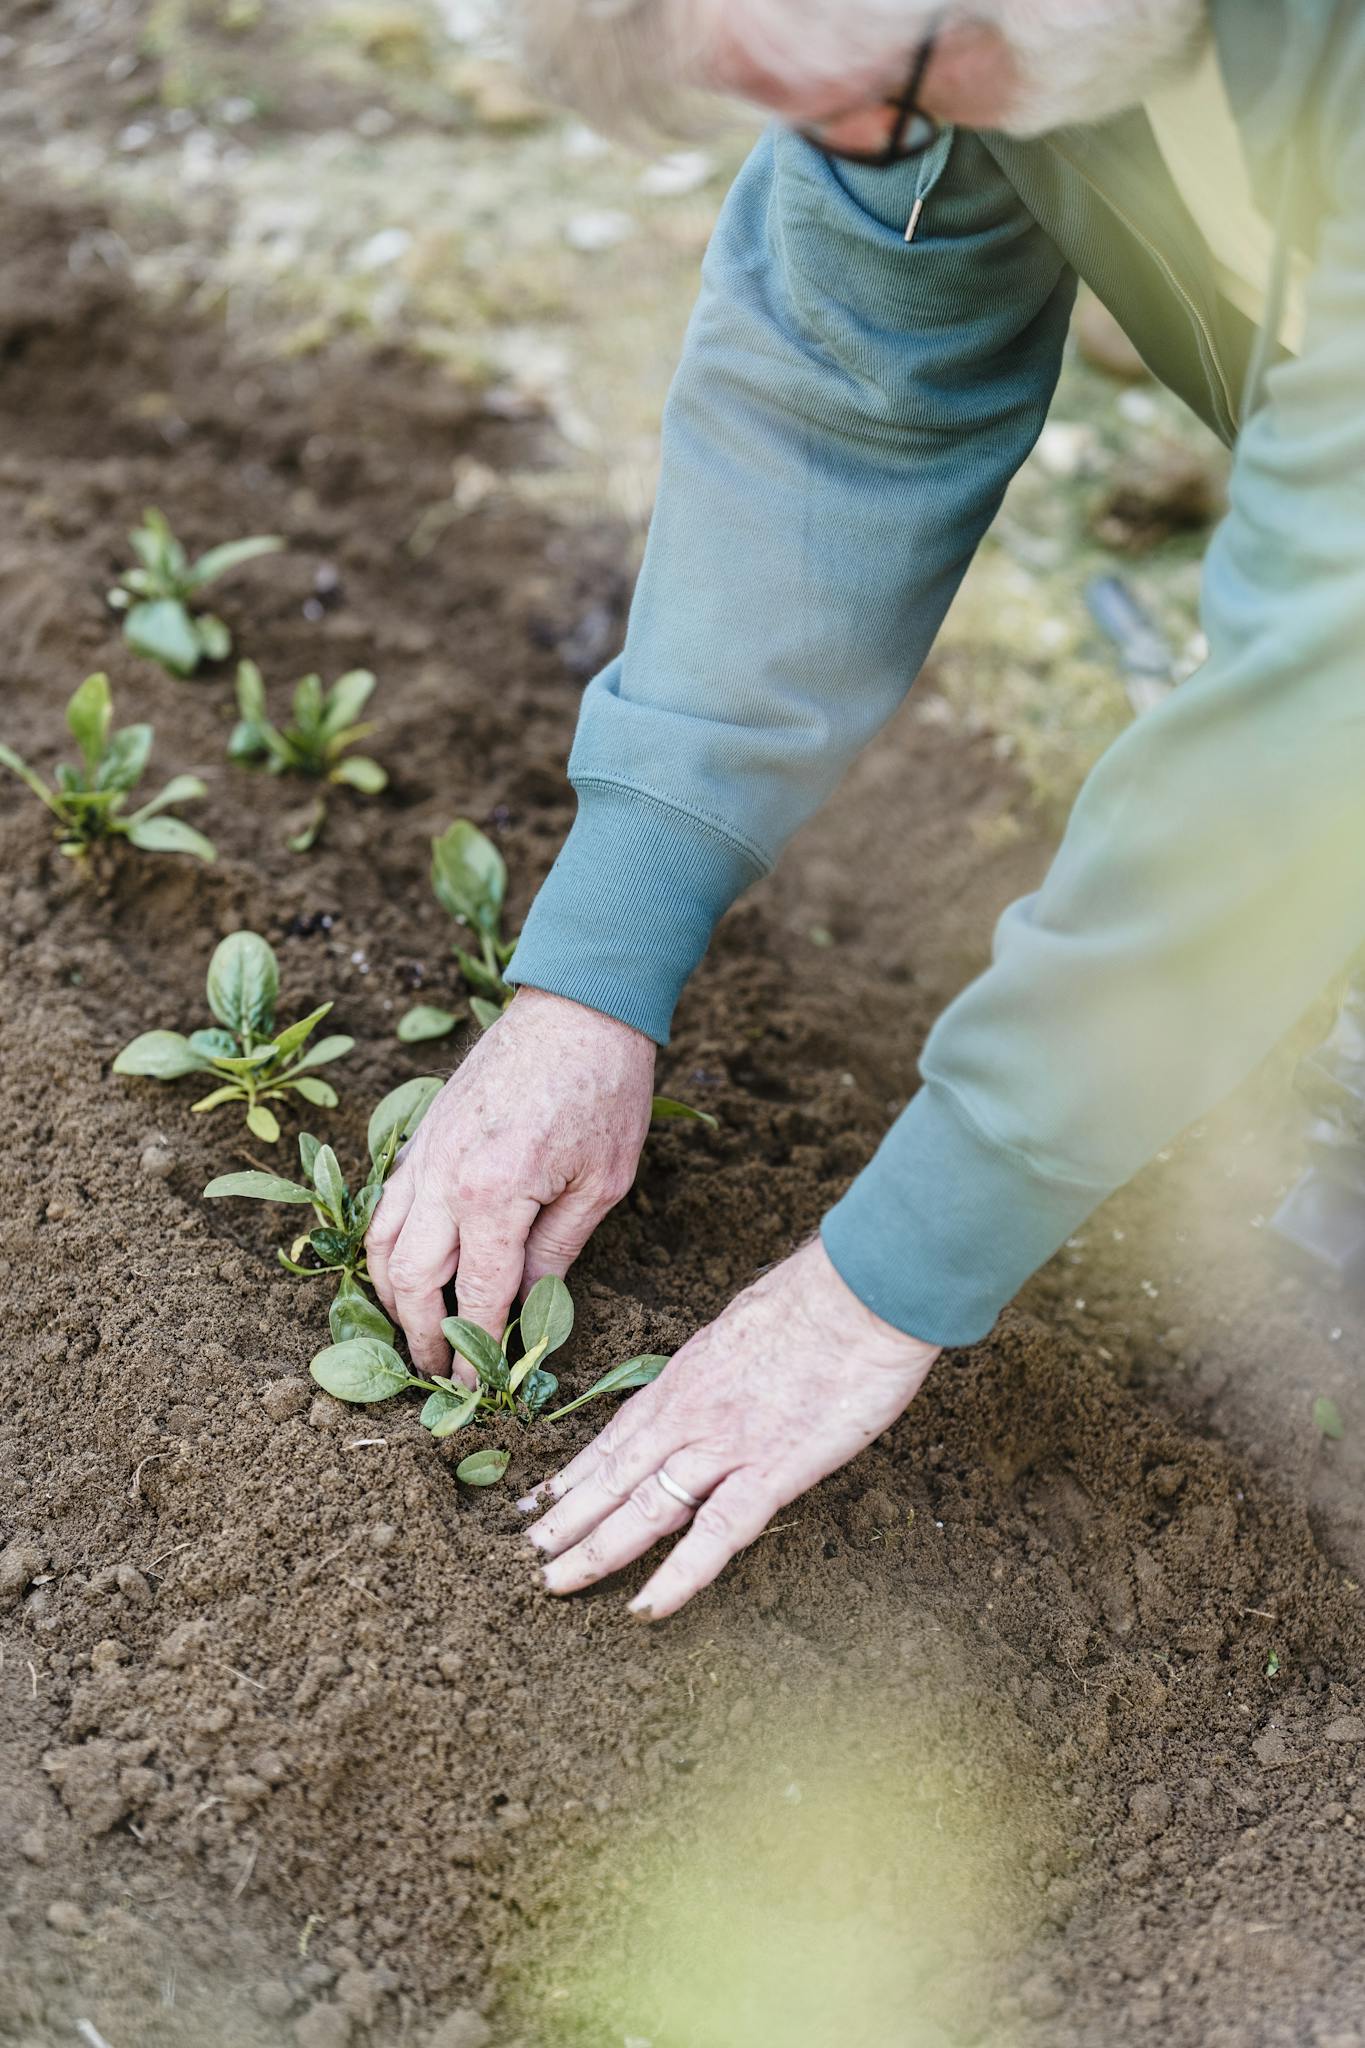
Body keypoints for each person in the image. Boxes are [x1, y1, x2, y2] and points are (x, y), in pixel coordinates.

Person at [368, 0, 1365, 1618]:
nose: (858, 149)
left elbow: (1326, 695)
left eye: (882, 99)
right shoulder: (928, 61)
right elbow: (842, 394)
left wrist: (878, 1283)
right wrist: (588, 978)